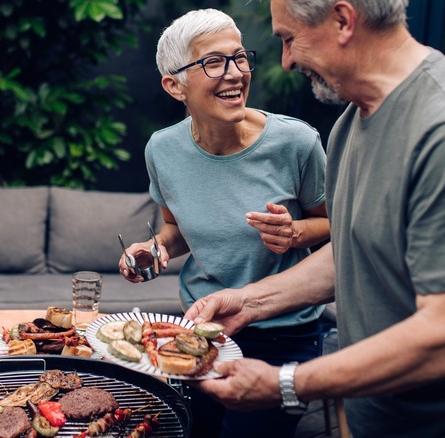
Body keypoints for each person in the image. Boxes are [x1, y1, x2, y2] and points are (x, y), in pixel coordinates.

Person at [184, 0, 445, 437]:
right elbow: (352, 249)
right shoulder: (353, 121)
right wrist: (247, 302)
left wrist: (286, 383)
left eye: (289, 39)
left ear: (343, 20)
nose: (286, 62)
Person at [117, 8, 330, 437]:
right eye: (213, 62)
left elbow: (335, 229)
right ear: (174, 85)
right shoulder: (162, 150)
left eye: (240, 57)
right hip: (199, 331)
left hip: (282, 333)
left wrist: (295, 234)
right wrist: (155, 249)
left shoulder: (297, 142)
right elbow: (176, 230)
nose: (235, 74)